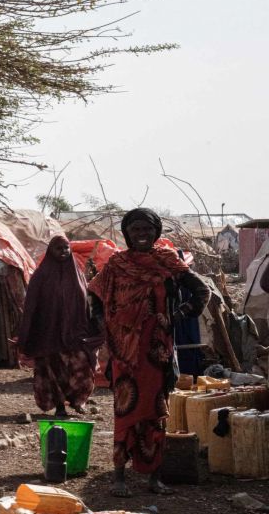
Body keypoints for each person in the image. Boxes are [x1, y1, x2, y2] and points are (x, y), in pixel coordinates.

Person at [89, 208, 209, 497]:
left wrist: (177, 316)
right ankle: (120, 478)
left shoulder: (168, 262)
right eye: (135, 230)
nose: (141, 235)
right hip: (125, 355)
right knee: (125, 412)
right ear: (127, 234)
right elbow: (94, 299)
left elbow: (201, 292)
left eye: (147, 230)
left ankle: (154, 478)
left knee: (156, 412)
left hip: (157, 351)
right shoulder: (117, 265)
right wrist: (111, 332)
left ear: (156, 232)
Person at [18, 236, 101, 418]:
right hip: (48, 333)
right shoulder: (41, 275)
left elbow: (86, 303)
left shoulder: (76, 273)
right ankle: (59, 406)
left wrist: (92, 327)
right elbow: (31, 306)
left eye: (66, 248)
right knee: (53, 371)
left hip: (76, 332)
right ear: (51, 251)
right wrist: (27, 334)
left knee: (81, 366)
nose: (63, 251)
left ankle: (78, 400)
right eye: (59, 248)